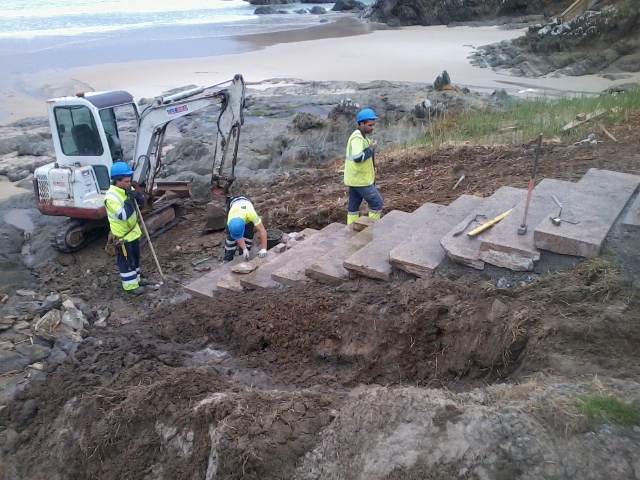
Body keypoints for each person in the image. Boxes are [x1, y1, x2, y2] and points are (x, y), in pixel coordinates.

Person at [104, 162, 148, 295]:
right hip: (123, 236)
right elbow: (123, 215)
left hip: (133, 232)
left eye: (130, 181)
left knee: (135, 258)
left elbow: (142, 201)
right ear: (117, 181)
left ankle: (137, 279)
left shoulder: (127, 189)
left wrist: (137, 195)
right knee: (127, 262)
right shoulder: (111, 197)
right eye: (127, 181)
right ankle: (130, 286)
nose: (129, 183)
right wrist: (129, 200)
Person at [344, 108, 383, 225]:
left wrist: (369, 145)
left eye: (373, 125)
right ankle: (373, 228)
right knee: (377, 202)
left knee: (353, 206)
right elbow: (358, 157)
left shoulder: (362, 137)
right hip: (361, 180)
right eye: (370, 125)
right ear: (362, 124)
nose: (373, 127)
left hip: (354, 178)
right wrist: (371, 148)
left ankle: (350, 229)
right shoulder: (357, 138)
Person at [223, 196, 269, 263]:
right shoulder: (230, 219)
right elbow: (237, 235)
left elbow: (262, 230)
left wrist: (263, 248)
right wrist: (244, 249)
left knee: (248, 235)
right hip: (233, 203)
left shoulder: (251, 215)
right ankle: (227, 259)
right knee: (231, 239)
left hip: (246, 204)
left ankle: (243, 256)